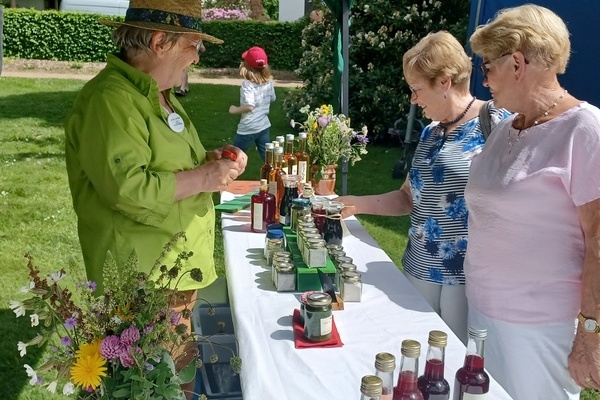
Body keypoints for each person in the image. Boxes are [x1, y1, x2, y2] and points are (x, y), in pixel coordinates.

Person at [64, 0, 247, 397]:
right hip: (144, 281)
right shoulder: (111, 100)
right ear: (162, 41)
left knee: (172, 381)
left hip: (170, 274)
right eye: (195, 45)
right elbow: (128, 189)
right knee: (153, 387)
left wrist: (208, 162)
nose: (197, 57)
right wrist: (202, 176)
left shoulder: (155, 93)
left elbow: (164, 166)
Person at [337, 31, 510, 344]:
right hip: (418, 268)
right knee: (416, 357)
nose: (413, 99)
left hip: (466, 281)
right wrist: (354, 203)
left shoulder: (496, 122)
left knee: (457, 366)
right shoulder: (431, 132)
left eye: (416, 89)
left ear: (444, 81)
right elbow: (407, 198)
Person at [466, 4, 600, 399]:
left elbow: (598, 243)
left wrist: (590, 334)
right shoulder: (507, 127)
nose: (484, 81)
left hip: (540, 328)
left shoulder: (584, 129)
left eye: (487, 67)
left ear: (518, 63)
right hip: (482, 313)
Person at [228, 46, 276, 161]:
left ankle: (224, 177)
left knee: (233, 157)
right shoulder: (268, 83)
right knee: (268, 158)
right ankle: (277, 176)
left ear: (246, 66)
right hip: (263, 126)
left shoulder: (247, 85)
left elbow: (249, 106)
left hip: (248, 128)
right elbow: (273, 98)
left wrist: (234, 109)